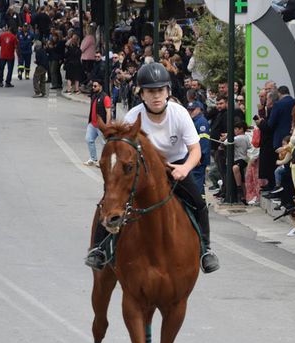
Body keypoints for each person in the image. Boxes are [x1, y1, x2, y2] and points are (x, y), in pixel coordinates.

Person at [85, 63, 220, 274]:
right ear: (142, 94)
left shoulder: (179, 113)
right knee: (110, 199)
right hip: (144, 171)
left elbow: (196, 150)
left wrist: (185, 168)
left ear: (167, 91)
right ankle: (99, 248)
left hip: (175, 166)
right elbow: (122, 151)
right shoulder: (132, 117)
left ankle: (205, 250)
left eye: (160, 90)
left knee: (199, 203)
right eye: (150, 91)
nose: (156, 96)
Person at [83, 79, 111, 167]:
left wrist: (107, 125)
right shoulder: (94, 95)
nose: (93, 87)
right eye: (93, 86)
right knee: (89, 139)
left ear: (100, 86)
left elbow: (108, 112)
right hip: (92, 123)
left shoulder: (105, 97)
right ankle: (93, 158)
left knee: (104, 143)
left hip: (101, 125)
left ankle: (104, 161)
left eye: (95, 86)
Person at [186, 101, 211, 195]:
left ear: (199, 109)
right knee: (198, 181)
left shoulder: (201, 122)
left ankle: (198, 201)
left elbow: (204, 141)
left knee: (197, 181)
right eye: (189, 110)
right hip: (195, 156)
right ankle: (201, 200)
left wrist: (199, 157)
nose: (190, 112)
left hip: (198, 158)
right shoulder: (194, 121)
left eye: (192, 110)